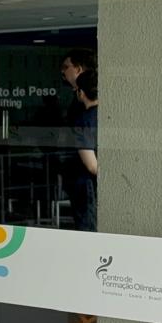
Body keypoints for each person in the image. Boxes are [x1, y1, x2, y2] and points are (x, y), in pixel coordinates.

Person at [70, 70, 99, 231]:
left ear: (81, 93)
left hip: (88, 187)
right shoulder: (109, 116)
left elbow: (91, 165)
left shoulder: (83, 120)